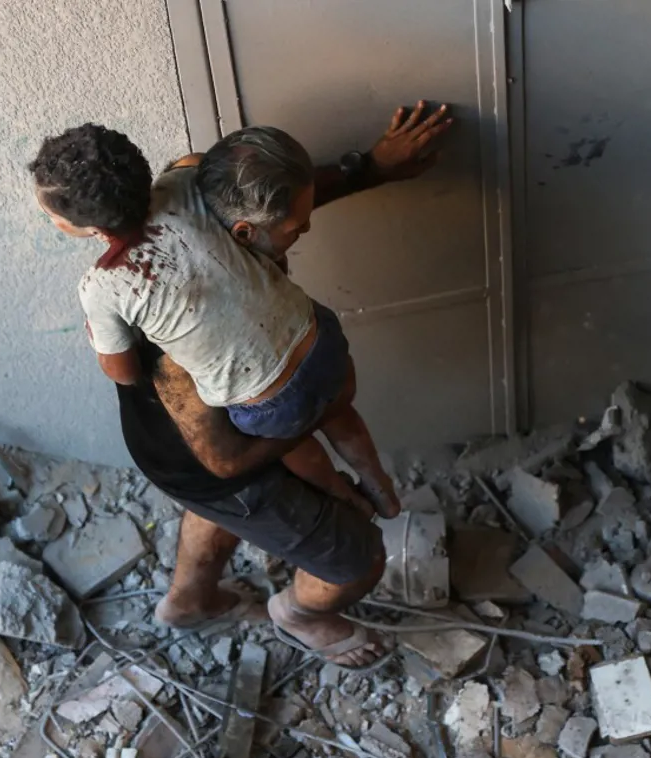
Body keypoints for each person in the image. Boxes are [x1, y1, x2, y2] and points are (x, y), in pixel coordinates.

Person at [28, 103, 453, 669]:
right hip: (213, 450)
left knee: (306, 517)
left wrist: (370, 167)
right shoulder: (187, 180)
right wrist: (367, 168)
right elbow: (228, 461)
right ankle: (310, 591)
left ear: (85, 227)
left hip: (206, 443)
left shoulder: (108, 284)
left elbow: (123, 372)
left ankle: (214, 604)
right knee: (342, 530)